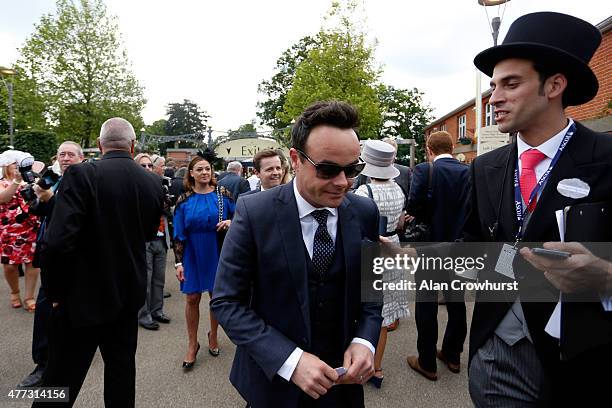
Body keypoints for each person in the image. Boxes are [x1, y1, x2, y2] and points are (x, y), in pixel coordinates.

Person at [466, 12, 611, 405]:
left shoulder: (606, 157)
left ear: (554, 85)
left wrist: (606, 276)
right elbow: (475, 246)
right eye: (494, 85)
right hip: (496, 356)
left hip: (584, 362)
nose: (494, 98)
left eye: (510, 84)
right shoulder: (485, 168)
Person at [211, 101, 382, 408]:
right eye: (328, 169)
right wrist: (289, 360)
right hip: (273, 387)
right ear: (296, 159)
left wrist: (364, 340)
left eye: (353, 169)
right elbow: (227, 302)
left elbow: (372, 293)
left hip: (343, 388)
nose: (343, 182)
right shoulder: (254, 213)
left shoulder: (364, 211)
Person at [34, 118, 163, 407]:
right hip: (127, 296)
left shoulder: (81, 174)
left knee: (58, 380)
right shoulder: (152, 181)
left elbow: (56, 242)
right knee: (121, 375)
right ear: (132, 146)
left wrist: (54, 294)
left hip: (81, 298)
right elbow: (145, 234)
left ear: (101, 145)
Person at [17, 141, 84, 388]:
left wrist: (49, 198)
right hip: (51, 256)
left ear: (80, 159)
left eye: (71, 154)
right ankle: (43, 364)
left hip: (78, 257)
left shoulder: (88, 183)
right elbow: (38, 209)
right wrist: (34, 196)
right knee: (46, 310)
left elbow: (72, 213)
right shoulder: (50, 178)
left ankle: (75, 353)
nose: (66, 158)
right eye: (62, 154)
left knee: (76, 307)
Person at [405, 131, 469, 381]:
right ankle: (453, 355)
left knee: (427, 302)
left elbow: (413, 205)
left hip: (430, 246)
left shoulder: (424, 170)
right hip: (460, 246)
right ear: (452, 147)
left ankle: (427, 361)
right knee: (456, 300)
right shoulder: (468, 171)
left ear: (429, 149)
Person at [354, 139, 410, 388]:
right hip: (392, 250)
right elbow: (399, 224)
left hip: (370, 251)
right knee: (384, 315)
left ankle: (358, 363)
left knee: (362, 310)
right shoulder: (399, 190)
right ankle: (377, 368)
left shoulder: (363, 193)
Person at [172, 150, 234, 370]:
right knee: (192, 298)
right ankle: (192, 344)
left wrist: (229, 222)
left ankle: (214, 335)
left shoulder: (223, 194)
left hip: (218, 250)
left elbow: (241, 218)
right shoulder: (184, 200)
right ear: (191, 173)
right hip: (192, 252)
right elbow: (178, 233)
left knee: (216, 297)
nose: (205, 172)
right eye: (200, 169)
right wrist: (178, 263)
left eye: (207, 168)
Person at [134, 153, 172, 330]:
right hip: (143, 238)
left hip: (160, 237)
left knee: (159, 279)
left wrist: (165, 202)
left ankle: (157, 310)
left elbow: (167, 212)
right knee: (145, 279)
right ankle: (144, 314)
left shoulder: (160, 184)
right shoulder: (133, 186)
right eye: (143, 166)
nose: (148, 169)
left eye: (150, 166)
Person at [0, 150, 41, 312]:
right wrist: (16, 182)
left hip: (31, 226)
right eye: (13, 165)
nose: (17, 168)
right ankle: (14, 292)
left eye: (19, 165)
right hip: (8, 230)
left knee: (32, 262)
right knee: (10, 266)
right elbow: (3, 198)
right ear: (5, 167)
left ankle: (29, 297)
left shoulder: (29, 180)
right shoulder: (2, 181)